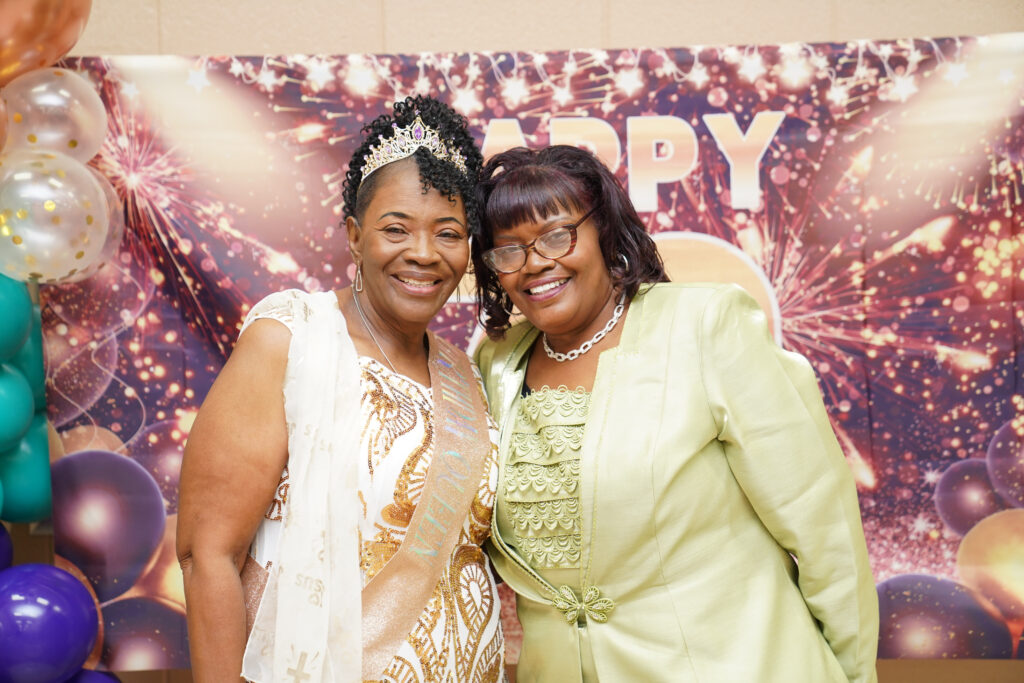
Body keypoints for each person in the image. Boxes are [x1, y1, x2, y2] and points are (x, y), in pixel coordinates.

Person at [472, 145, 879, 682]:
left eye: (556, 235)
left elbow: (824, 532)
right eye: (509, 249)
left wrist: (854, 675)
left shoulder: (706, 325)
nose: (536, 263)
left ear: (604, 232)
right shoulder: (494, 362)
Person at [177, 96, 504, 683]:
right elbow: (208, 555)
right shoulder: (293, 338)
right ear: (354, 236)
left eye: (448, 233)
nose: (424, 254)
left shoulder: (467, 373)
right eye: (395, 229)